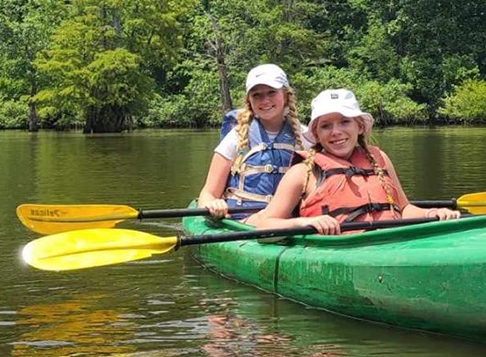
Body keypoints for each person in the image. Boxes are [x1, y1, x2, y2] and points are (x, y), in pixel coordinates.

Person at [243, 89, 460, 235]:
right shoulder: (303, 173)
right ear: (316, 134)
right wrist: (303, 222)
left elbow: (404, 209)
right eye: (326, 126)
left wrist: (431, 213)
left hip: (391, 243)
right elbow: (264, 224)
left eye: (344, 122)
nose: (336, 132)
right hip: (340, 250)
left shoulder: (379, 159)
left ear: (360, 126)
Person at [196, 64, 310, 219]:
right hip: (241, 221)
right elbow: (208, 193)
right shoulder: (236, 136)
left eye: (271, 92)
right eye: (257, 95)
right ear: (249, 100)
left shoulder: (305, 136)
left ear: (285, 95)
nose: (265, 100)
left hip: (287, 222)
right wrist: (212, 204)